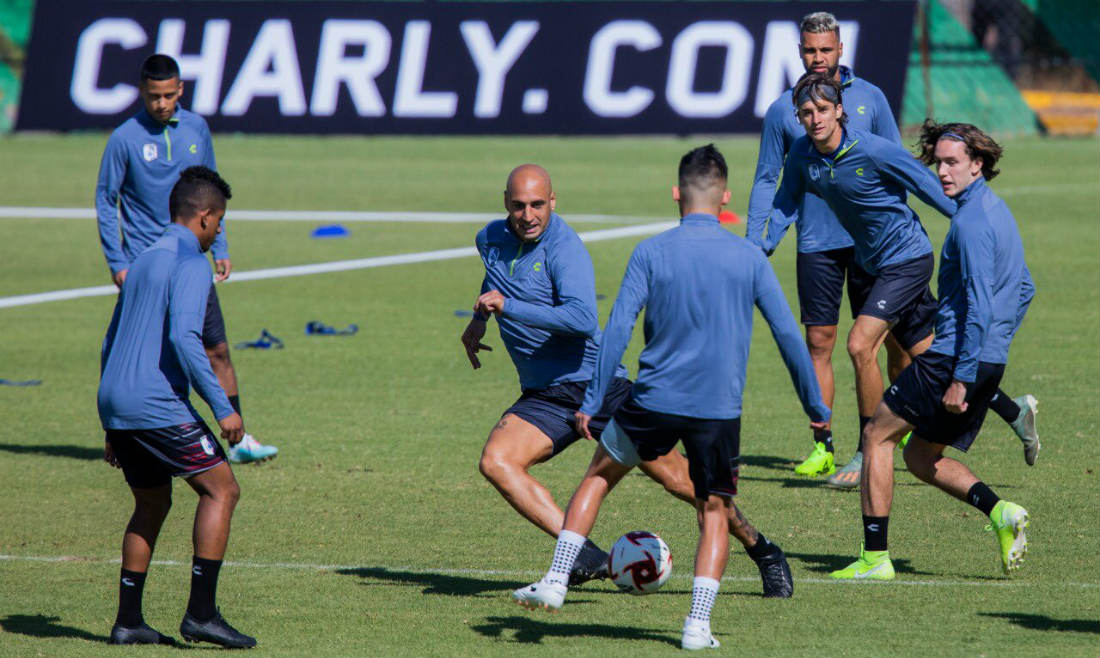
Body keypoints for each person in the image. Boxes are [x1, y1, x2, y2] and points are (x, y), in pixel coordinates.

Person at [511, 145, 829, 650]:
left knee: (598, 476)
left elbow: (615, 329)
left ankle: (555, 580)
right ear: (725, 197)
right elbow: (790, 337)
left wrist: (593, 400)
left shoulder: (651, 251)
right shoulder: (748, 256)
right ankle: (697, 625)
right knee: (713, 509)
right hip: (717, 409)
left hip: (652, 400)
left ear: (676, 194)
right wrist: (816, 409)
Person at [463, 165, 794, 595]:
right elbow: (496, 277)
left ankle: (762, 548)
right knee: (497, 462)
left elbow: (582, 319)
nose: (529, 215)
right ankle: (585, 558)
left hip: (596, 386)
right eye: (520, 205)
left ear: (553, 201)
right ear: (505, 202)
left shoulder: (565, 250)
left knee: (681, 481)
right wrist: (478, 322)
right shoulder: (489, 238)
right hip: (544, 395)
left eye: (538, 205)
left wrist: (508, 308)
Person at [754, 74, 1038, 490]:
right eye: (805, 113)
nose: (814, 119)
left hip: (907, 259)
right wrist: (758, 248)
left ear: (839, 112)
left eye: (821, 110)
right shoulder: (802, 154)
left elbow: (929, 187)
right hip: (873, 266)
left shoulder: (873, 150)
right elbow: (784, 202)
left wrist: (979, 228)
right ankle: (1016, 413)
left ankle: (866, 452)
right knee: (931, 355)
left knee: (858, 344)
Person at [829, 122, 1033, 580]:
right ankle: (1001, 512)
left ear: (978, 165)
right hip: (986, 360)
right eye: (937, 162)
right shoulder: (997, 212)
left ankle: (875, 559)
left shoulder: (970, 223)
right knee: (920, 457)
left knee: (877, 436)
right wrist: (992, 351)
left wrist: (962, 374)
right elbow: (1025, 288)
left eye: (952, 162)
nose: (941, 171)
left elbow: (980, 300)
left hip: (953, 359)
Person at [746, 11, 911, 486]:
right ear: (800, 53)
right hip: (815, 243)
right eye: (809, 51)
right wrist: (756, 242)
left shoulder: (871, 99)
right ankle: (823, 446)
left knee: (885, 343)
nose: (818, 59)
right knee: (820, 343)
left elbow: (896, 165)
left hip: (871, 243)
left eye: (826, 50)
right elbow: (766, 180)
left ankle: (874, 439)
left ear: (841, 50)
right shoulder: (784, 110)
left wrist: (894, 229)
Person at [99, 166, 256, 648]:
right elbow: (186, 339)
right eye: (220, 221)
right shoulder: (190, 263)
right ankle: (202, 615)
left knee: (152, 501)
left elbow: (111, 339)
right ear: (205, 217)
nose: (219, 231)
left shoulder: (144, 258)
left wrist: (110, 424)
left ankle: (129, 622)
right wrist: (223, 408)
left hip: (117, 400)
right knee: (221, 491)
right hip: (155, 404)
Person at [96, 53, 276, 464]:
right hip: (144, 264)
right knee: (130, 349)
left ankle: (238, 438)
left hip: (192, 258)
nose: (161, 103)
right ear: (143, 92)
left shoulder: (196, 128)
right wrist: (117, 260)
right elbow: (106, 200)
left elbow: (210, 193)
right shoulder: (124, 138)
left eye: (168, 95)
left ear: (180, 90)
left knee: (217, 349)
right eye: (153, 96)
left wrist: (222, 247)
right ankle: (125, 434)